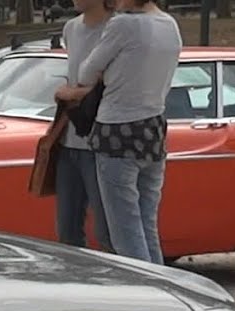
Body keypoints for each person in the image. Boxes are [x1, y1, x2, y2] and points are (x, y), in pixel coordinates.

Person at [55, 0, 180, 265]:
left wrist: (104, 73)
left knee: (124, 235)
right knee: (146, 226)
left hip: (117, 132)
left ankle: (141, 287)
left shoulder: (122, 25)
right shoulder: (169, 25)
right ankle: (160, 284)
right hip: (153, 128)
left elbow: (85, 73)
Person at [52, 0, 112, 252]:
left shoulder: (116, 28)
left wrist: (72, 94)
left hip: (103, 141)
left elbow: (113, 84)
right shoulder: (71, 28)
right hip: (70, 138)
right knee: (67, 229)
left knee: (107, 230)